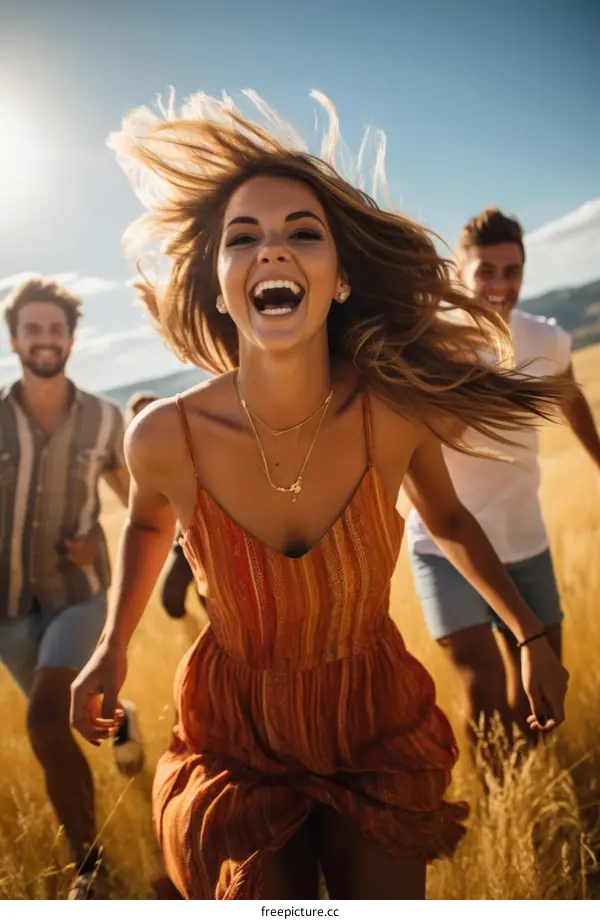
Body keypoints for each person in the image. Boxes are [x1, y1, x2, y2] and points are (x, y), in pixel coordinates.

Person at [71, 92, 571, 900]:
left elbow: (446, 519)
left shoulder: (391, 413)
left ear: (338, 280)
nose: (273, 251)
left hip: (373, 715)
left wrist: (529, 635)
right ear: (219, 280)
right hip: (236, 733)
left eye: (303, 233)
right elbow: (146, 524)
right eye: (245, 238)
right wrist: (113, 644)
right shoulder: (166, 437)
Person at [405, 207, 600, 748]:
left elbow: (570, 395)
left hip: (524, 541)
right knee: (483, 684)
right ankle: (496, 801)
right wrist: (471, 379)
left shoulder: (547, 339)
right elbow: (420, 436)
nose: (499, 284)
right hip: (442, 548)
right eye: (485, 271)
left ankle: (526, 788)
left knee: (539, 693)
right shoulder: (429, 348)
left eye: (511, 271)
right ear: (461, 274)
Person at [0, 277, 143, 900]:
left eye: (55, 328)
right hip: (7, 609)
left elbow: (140, 507)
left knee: (44, 722)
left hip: (80, 594)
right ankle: (125, 719)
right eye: (33, 329)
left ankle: (92, 871)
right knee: (61, 722)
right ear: (14, 339)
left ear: (71, 338)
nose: (45, 339)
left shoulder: (107, 420)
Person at [126, 391, 206, 622]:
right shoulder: (142, 459)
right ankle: (191, 631)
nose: (149, 416)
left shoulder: (193, 441)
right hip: (181, 541)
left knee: (212, 600)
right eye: (141, 413)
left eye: (152, 409)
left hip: (208, 536)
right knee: (171, 599)